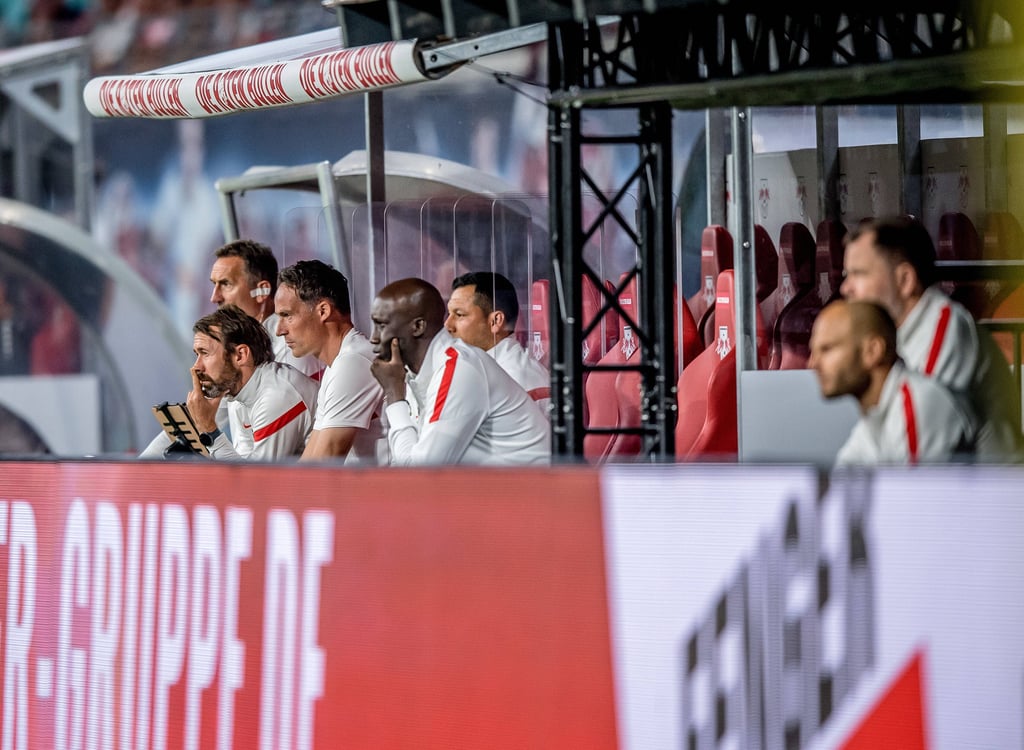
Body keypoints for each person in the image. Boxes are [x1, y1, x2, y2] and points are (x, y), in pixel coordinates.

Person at [841, 215, 1022, 461]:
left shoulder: (946, 329)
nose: (846, 288)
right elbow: (870, 439)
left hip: (988, 496)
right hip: (950, 491)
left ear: (905, 280)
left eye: (858, 274)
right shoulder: (898, 335)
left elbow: (916, 449)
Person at [369, 277, 550, 465]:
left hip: (531, 491)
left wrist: (394, 395)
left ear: (418, 327)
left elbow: (420, 474)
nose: (374, 338)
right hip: (500, 488)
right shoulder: (439, 367)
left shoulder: (461, 368)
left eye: (381, 326)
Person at [140, 305, 318, 460]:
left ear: (240, 355)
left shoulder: (277, 396)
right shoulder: (239, 392)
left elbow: (254, 487)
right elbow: (243, 468)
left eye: (205, 353)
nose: (196, 367)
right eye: (197, 355)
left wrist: (210, 430)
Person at [809, 299, 973, 465]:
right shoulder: (874, 418)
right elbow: (840, 483)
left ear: (872, 351)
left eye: (826, 349)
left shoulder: (917, 403)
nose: (813, 364)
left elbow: (913, 489)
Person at [275, 260, 384, 463]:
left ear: (323, 311)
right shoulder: (339, 364)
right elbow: (312, 458)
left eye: (287, 315)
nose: (279, 330)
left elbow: (323, 463)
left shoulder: (353, 362)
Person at [208, 239, 320, 377]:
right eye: (214, 284)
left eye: (226, 284)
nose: (215, 298)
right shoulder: (238, 347)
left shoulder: (291, 347)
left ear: (262, 291)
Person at [446, 271, 550, 409]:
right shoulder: (484, 369)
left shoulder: (515, 379)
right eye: (449, 314)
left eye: (459, 315)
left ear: (495, 321)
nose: (447, 325)